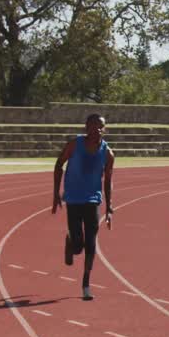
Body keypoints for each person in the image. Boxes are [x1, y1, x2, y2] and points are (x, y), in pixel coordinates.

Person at [52, 113, 115, 300]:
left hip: (93, 200)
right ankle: (71, 242)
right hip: (72, 199)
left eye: (101, 126)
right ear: (86, 127)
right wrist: (56, 193)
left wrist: (109, 205)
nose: (97, 129)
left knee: (91, 241)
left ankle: (86, 284)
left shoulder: (108, 153)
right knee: (79, 246)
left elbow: (108, 180)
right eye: (94, 125)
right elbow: (58, 165)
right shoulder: (74, 145)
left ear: (104, 129)